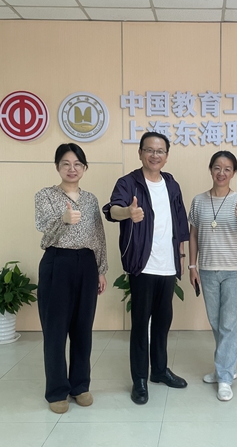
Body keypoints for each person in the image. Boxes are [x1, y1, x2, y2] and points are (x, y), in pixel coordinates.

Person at [103, 131, 189, 405]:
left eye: (160, 151)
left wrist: (181, 255)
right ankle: (139, 379)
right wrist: (128, 212)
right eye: (149, 150)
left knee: (163, 322)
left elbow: (180, 221)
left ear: (166, 155)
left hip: (168, 265)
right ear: (140, 153)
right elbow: (112, 210)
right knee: (141, 324)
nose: (155, 155)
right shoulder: (128, 182)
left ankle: (160, 371)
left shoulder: (171, 184)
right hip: (142, 264)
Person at [35, 143, 108, 414]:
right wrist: (63, 220)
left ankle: (80, 385)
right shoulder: (45, 195)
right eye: (66, 163)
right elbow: (44, 230)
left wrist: (101, 269)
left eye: (77, 164)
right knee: (55, 330)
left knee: (82, 328)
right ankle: (56, 391)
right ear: (57, 167)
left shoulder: (90, 200)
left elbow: (98, 236)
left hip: (87, 264)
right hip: (57, 262)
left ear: (84, 168)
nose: (72, 168)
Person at [188, 151, 237, 402]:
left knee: (230, 325)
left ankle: (224, 377)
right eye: (217, 167)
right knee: (216, 323)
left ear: (233, 172)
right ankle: (225, 367)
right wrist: (192, 266)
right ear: (210, 169)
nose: (221, 173)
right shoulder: (198, 201)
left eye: (227, 169)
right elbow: (193, 234)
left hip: (235, 270)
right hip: (207, 269)